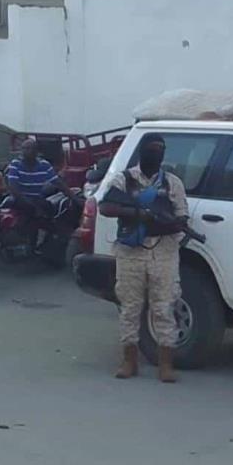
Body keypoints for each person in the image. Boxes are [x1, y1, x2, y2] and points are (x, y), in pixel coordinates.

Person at [99, 134, 188, 383]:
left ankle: (166, 364)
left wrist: (163, 223)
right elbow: (105, 207)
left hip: (164, 252)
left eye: (160, 150)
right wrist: (138, 213)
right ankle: (129, 360)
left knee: (164, 306)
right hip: (131, 253)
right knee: (130, 307)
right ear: (141, 151)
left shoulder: (172, 183)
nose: (155, 154)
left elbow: (182, 218)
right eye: (151, 149)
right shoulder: (124, 179)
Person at [6, 138, 75, 218]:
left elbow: (58, 183)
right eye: (23, 148)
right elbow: (13, 188)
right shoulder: (15, 164)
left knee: (49, 210)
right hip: (20, 199)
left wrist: (74, 198)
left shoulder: (44, 165)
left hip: (36, 199)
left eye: (28, 148)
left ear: (36, 151)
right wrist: (31, 205)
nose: (25, 151)